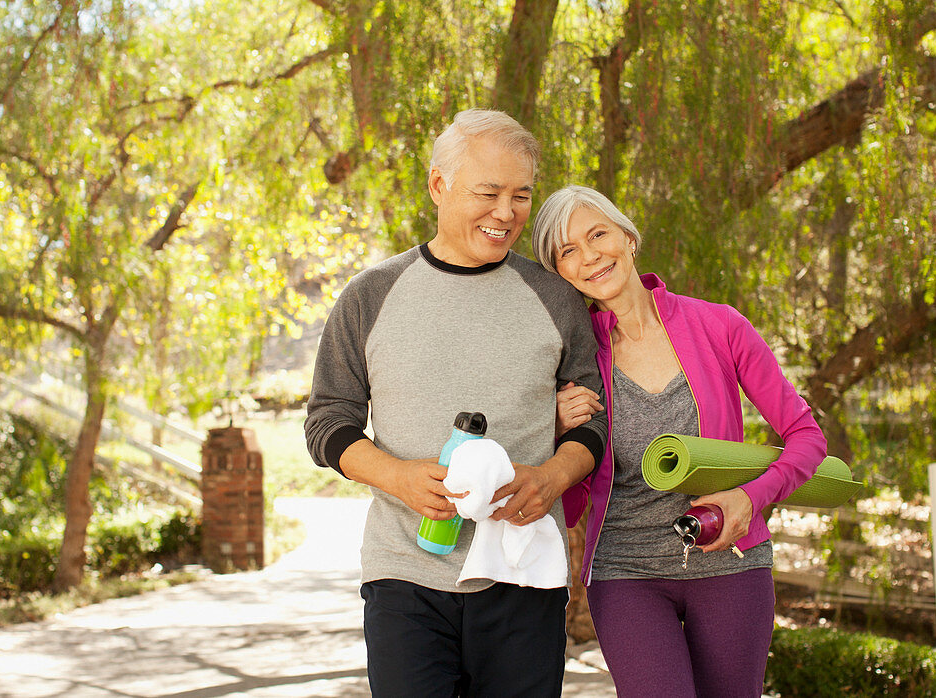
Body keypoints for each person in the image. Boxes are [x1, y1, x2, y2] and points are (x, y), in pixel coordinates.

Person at [304, 111, 609, 698]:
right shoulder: (370, 295)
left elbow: (591, 424)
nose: (507, 212)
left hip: (524, 574)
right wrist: (396, 476)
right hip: (404, 576)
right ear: (439, 186)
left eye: (521, 195)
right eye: (488, 192)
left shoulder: (557, 297)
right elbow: (327, 422)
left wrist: (550, 477)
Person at [532, 185, 827, 698]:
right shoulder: (571, 362)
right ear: (559, 273)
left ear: (627, 236)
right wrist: (552, 428)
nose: (590, 256)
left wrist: (749, 498)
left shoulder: (720, 326)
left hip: (731, 562)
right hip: (625, 571)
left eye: (597, 234)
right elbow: (564, 493)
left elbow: (806, 437)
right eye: (568, 251)